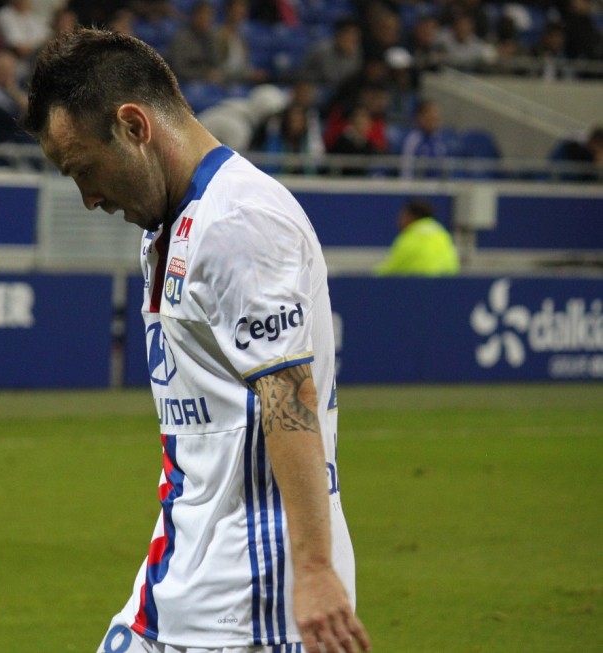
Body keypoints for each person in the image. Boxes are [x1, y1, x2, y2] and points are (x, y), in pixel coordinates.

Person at [24, 27, 371, 653]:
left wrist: (317, 570)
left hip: (250, 604)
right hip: (174, 580)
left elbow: (290, 396)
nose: (89, 199)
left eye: (84, 170)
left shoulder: (239, 221)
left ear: (134, 126)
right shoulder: (168, 224)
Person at [375, 198, 460, 276]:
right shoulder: (442, 234)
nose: (399, 220)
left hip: (418, 285)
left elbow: (390, 270)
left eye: (402, 216)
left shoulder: (410, 237)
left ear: (411, 216)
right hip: (447, 285)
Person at [167, 1, 222, 84]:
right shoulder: (181, 39)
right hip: (185, 82)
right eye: (202, 15)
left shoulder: (211, 37)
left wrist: (215, 73)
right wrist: (203, 75)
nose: (205, 19)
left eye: (209, 15)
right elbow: (178, 68)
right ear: (194, 16)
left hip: (207, 82)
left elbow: (216, 63)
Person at [399, 99, 450, 179]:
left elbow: (445, 168)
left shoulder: (440, 140)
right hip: (418, 184)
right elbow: (406, 170)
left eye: (436, 118)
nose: (434, 119)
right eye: (430, 117)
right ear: (421, 118)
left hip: (437, 184)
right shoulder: (413, 140)